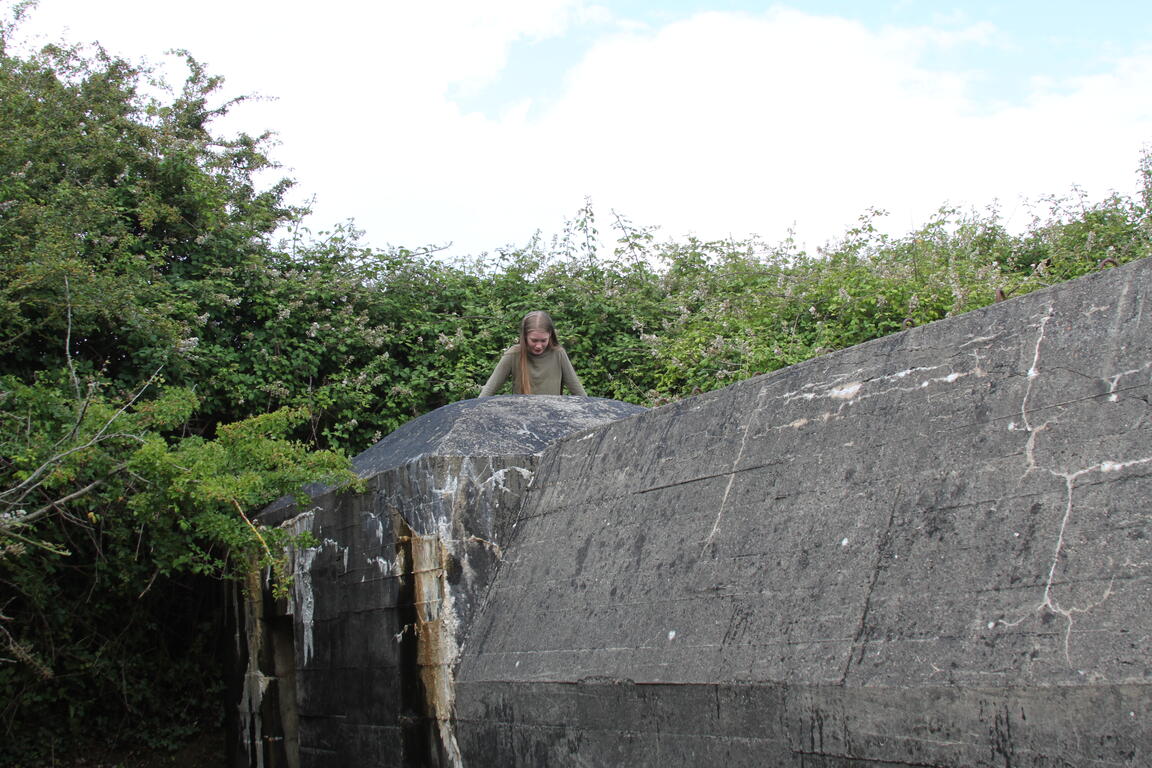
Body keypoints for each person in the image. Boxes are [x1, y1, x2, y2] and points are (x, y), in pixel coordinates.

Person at [479, 311, 587, 397]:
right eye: (534, 340)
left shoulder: (558, 354)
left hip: (552, 418)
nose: (539, 346)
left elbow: (578, 390)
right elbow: (489, 390)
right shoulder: (513, 354)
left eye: (543, 340)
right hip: (522, 420)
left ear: (550, 335)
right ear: (525, 336)